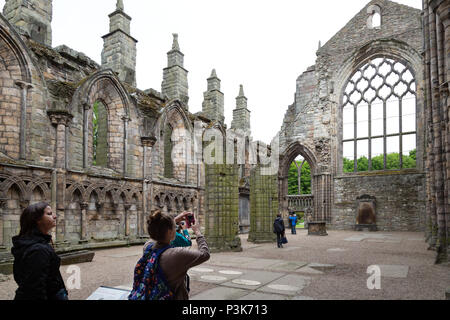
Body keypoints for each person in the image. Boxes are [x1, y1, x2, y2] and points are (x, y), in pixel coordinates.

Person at [131, 209, 210, 300]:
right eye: (174, 227)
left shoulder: (147, 247)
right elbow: (205, 254)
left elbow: (156, 233)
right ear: (169, 232)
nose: (175, 229)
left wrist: (173, 220)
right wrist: (197, 232)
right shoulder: (177, 254)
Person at [11, 202, 68, 300]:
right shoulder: (38, 250)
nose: (54, 216)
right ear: (37, 219)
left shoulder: (32, 243)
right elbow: (35, 290)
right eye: (49, 214)